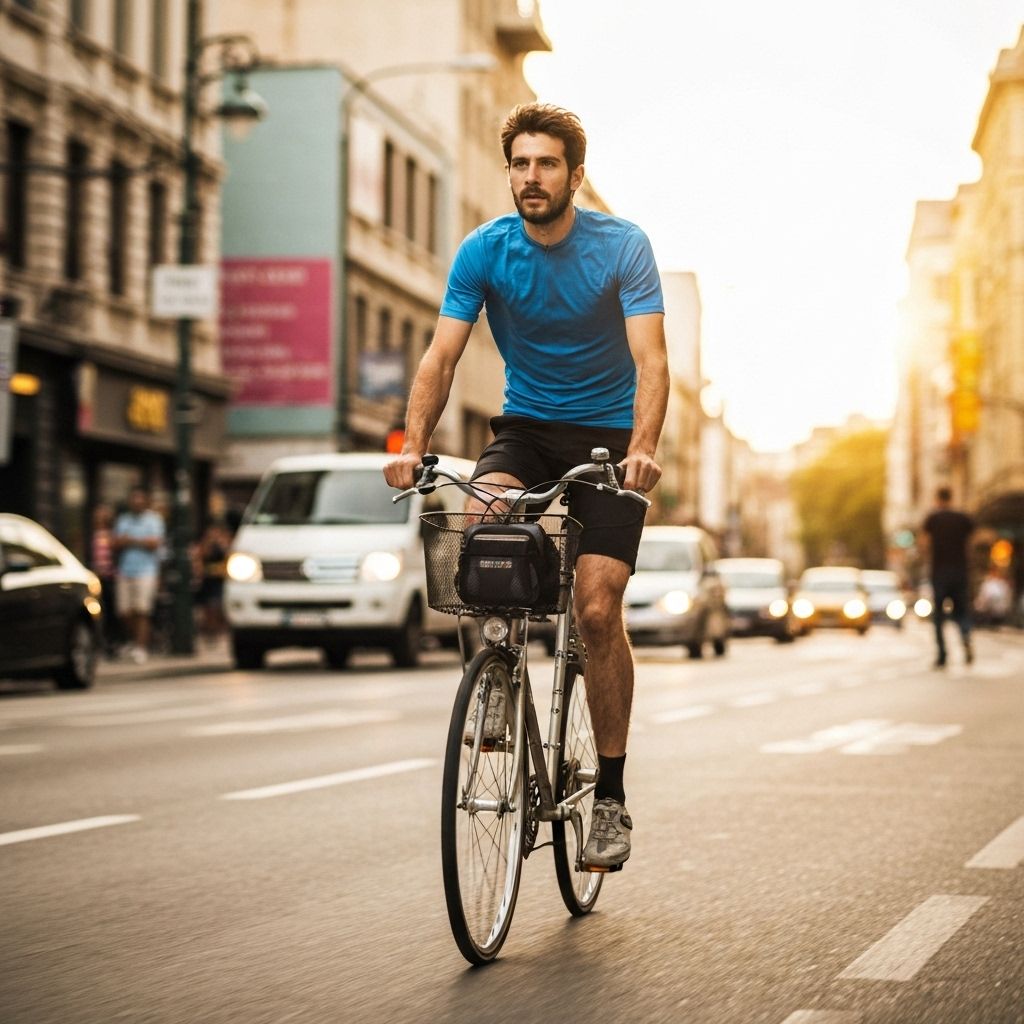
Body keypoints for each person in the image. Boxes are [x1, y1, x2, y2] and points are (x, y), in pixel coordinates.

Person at [384, 103, 668, 870]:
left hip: (610, 441)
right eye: (520, 163)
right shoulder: (485, 250)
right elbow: (442, 358)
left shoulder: (622, 246)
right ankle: (501, 672)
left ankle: (608, 797)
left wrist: (643, 450)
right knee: (483, 520)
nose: (531, 177)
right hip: (528, 429)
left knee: (598, 606)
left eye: (546, 164)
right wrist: (413, 446)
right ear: (507, 170)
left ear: (574, 175)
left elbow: (652, 362)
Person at [920, 486, 975, 667]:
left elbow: (924, 544)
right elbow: (972, 542)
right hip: (960, 571)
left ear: (937, 499)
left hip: (940, 572)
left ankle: (942, 655)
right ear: (952, 497)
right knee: (962, 611)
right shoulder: (962, 518)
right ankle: (966, 636)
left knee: (939, 616)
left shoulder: (933, 519)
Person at [113, 486, 165, 664]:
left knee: (142, 610)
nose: (136, 502)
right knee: (125, 611)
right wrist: (137, 541)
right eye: (133, 498)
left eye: (140, 498)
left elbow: (154, 543)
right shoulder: (123, 519)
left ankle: (141, 647)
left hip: (146, 571)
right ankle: (133, 641)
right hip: (125, 570)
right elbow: (117, 542)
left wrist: (132, 540)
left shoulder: (154, 520)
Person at [89, 503, 119, 656]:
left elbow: (116, 555)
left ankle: (112, 643)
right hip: (98, 578)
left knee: (111, 610)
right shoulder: (94, 534)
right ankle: (102, 642)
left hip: (111, 577)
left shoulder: (112, 535)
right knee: (99, 610)